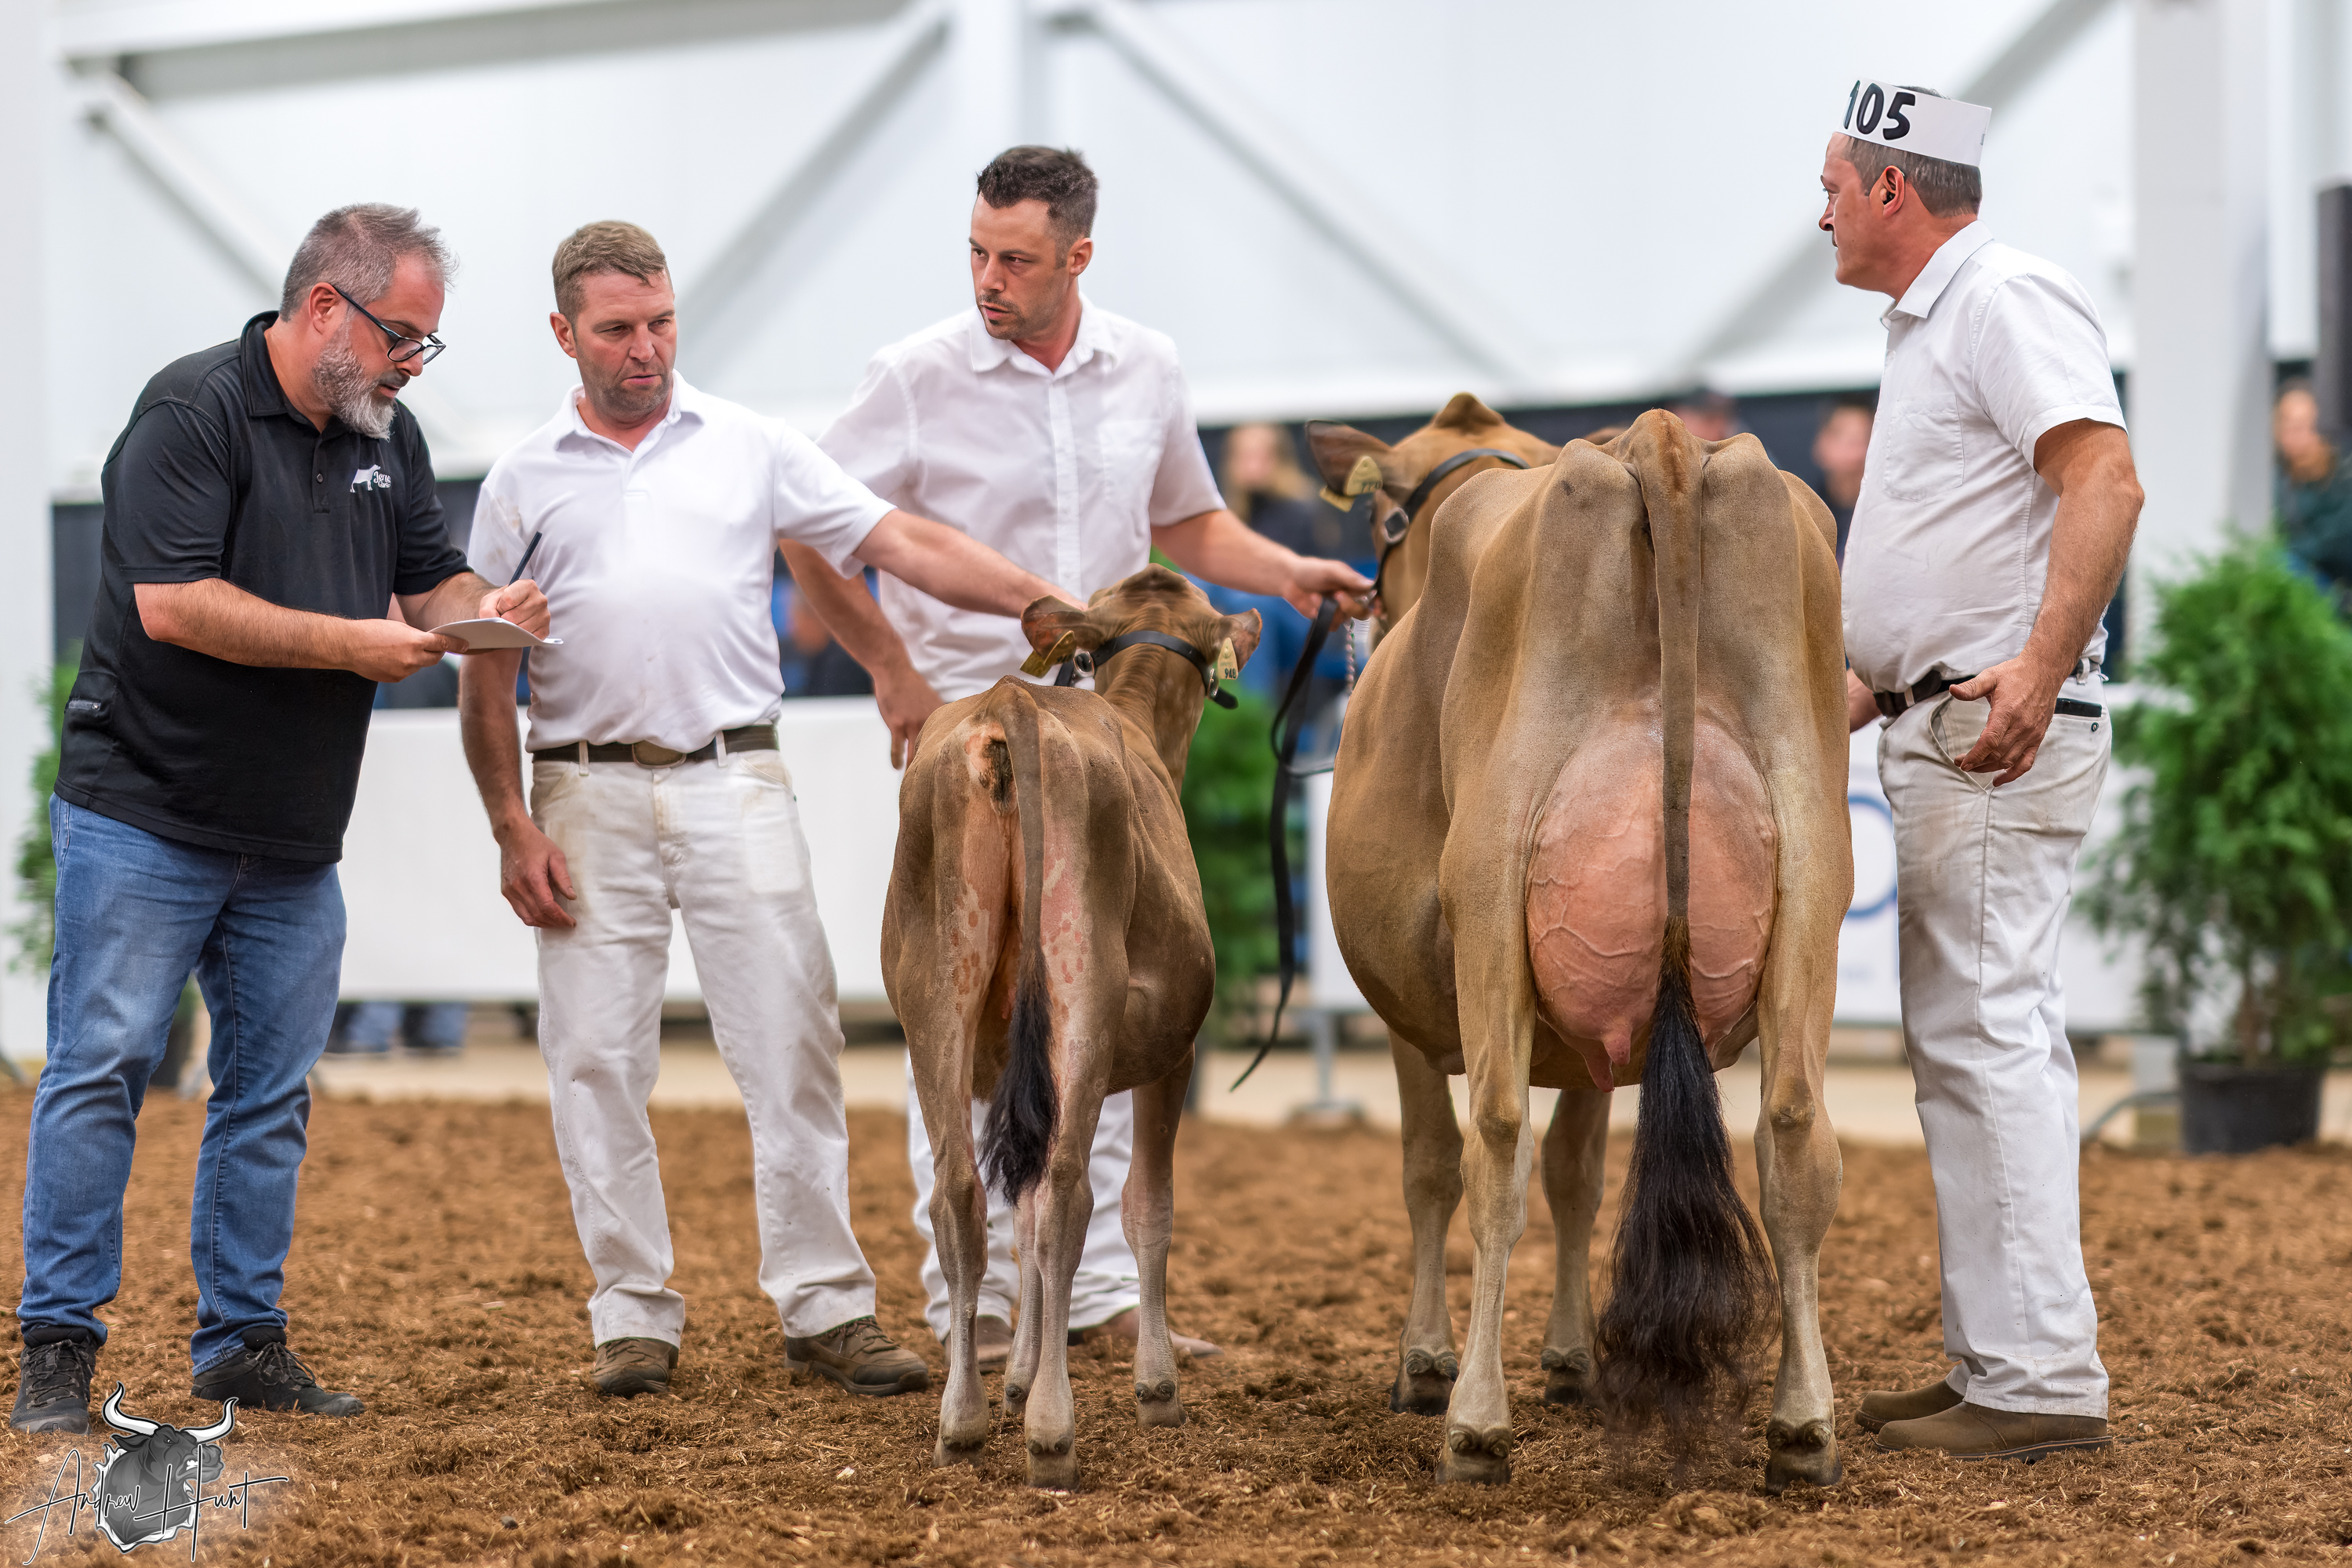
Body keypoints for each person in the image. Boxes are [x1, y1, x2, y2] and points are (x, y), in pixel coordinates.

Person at [456, 221, 1077, 1403]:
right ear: (563, 333)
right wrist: (509, 824)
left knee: (792, 1042)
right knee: (594, 1058)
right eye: (617, 330)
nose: (646, 348)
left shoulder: (752, 445)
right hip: (580, 789)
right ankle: (630, 1313)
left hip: (733, 772)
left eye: (661, 322)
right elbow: (484, 677)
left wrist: (1037, 598)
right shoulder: (519, 481)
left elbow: (899, 540)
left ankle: (826, 1305)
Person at [787, 146, 1371, 1369]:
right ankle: (974, 1298)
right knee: (965, 1005)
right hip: (969, 729)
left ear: (1078, 257)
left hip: (1113, 733)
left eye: (1016, 259)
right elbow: (810, 528)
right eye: (977, 252)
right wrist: (889, 669)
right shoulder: (912, 374)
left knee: (1109, 996)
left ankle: (1096, 1286)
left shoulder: (1145, 363)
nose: (988, 279)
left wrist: (1285, 572)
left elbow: (1186, 523)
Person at [12, 205, 548, 1434]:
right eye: (402, 336)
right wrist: (351, 645)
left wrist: (487, 608)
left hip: (294, 834)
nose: (414, 364)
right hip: (146, 811)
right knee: (101, 1071)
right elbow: (174, 604)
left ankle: (241, 1341)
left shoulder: (387, 435)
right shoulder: (189, 412)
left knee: (269, 1091)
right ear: (323, 309)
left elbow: (430, 579)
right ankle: (57, 1350)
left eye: (425, 342)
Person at [1824, 82, 2143, 1461]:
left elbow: (2107, 479)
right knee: (1965, 1041)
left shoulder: (2002, 295)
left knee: (1989, 1034)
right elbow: (1947, 563)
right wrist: (1843, 698)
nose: (1822, 213)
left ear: (1894, 188)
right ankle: (1998, 1364)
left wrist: (2038, 667)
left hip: (1995, 730)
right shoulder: (1936, 322)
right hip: (1941, 716)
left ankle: (2039, 1381)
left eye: (1834, 186)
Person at [2274, 379, 2352, 601]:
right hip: (2313, 583)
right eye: (2285, 425)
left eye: (2301, 426)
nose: (2293, 436)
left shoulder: (2345, 471)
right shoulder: (2277, 481)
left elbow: (2334, 540)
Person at [1812, 396, 1875, 561]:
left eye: (1862, 438)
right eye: (1841, 436)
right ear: (1820, 444)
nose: (1852, 449)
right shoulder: (1802, 516)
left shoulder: (1888, 521)